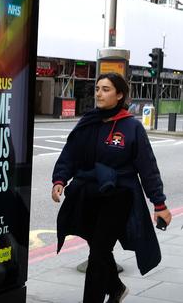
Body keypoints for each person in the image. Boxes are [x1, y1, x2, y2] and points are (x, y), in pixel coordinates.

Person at [51, 72, 172, 303]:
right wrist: (60, 180)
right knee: (99, 249)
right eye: (97, 88)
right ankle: (115, 288)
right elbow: (71, 154)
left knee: (97, 254)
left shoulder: (131, 128)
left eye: (106, 89)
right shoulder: (88, 122)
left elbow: (148, 168)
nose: (99, 93)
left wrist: (159, 204)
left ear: (119, 95)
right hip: (89, 193)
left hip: (119, 197)